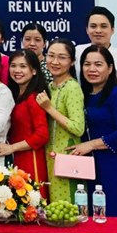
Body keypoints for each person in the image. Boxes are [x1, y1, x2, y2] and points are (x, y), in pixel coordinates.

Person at [68, 45, 117, 217]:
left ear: (110, 68)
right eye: (87, 64)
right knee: (87, 212)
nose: (92, 69)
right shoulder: (83, 94)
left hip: (111, 160)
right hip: (87, 163)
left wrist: (91, 145)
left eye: (98, 64)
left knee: (112, 211)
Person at [37, 38, 86, 204]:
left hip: (67, 157)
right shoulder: (50, 86)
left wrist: (49, 108)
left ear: (72, 62)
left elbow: (78, 127)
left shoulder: (72, 87)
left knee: (67, 208)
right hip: (49, 156)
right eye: (51, 56)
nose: (55, 62)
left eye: (62, 57)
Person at [0, 51, 50, 191]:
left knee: (32, 201)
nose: (17, 70)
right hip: (16, 158)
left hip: (31, 159)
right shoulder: (14, 93)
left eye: (23, 66)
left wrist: (12, 148)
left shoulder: (34, 97)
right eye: (13, 66)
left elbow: (42, 135)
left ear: (34, 71)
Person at [75, 6, 117, 93]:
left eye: (103, 26)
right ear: (87, 30)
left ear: (112, 30)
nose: (98, 30)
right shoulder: (77, 52)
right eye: (93, 26)